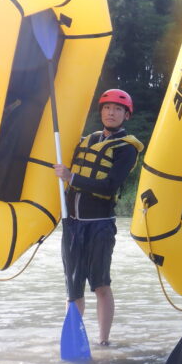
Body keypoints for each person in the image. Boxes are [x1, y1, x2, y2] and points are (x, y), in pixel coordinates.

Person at [53, 88, 143, 346]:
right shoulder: (86, 140)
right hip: (72, 225)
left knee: (100, 284)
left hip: (100, 226)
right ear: (101, 112)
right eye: (106, 108)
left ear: (126, 115)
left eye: (117, 109)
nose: (111, 113)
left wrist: (72, 177)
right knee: (73, 287)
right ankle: (73, 339)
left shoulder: (127, 148)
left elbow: (109, 186)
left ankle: (103, 341)